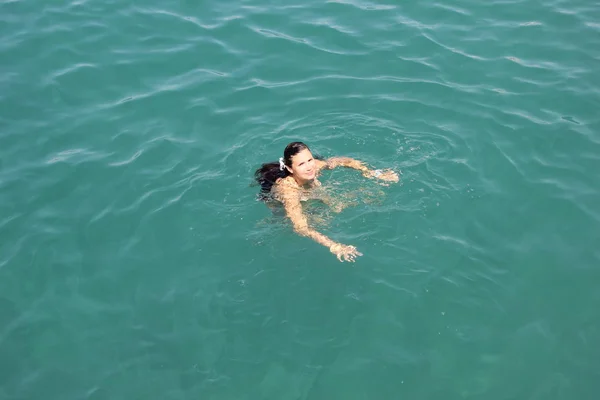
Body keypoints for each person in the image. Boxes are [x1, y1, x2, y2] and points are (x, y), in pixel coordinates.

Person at [254, 142, 399, 262]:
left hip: (305, 190)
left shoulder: (315, 166)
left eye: (310, 160)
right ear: (290, 168)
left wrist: (371, 173)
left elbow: (343, 161)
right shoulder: (288, 191)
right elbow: (301, 228)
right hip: (277, 200)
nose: (310, 167)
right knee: (316, 219)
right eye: (302, 164)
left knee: (333, 204)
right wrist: (334, 246)